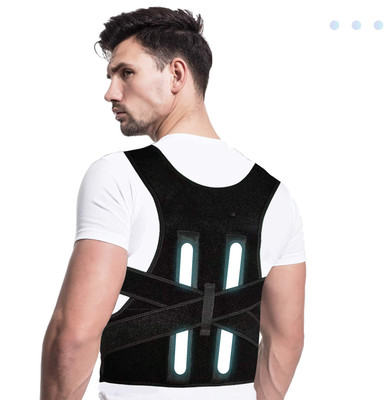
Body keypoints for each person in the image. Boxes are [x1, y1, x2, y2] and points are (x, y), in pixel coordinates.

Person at [40, 6, 306, 400]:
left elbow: (74, 336)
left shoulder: (118, 176)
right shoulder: (277, 196)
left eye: (126, 73)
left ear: (177, 74)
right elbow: (287, 339)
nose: (111, 92)